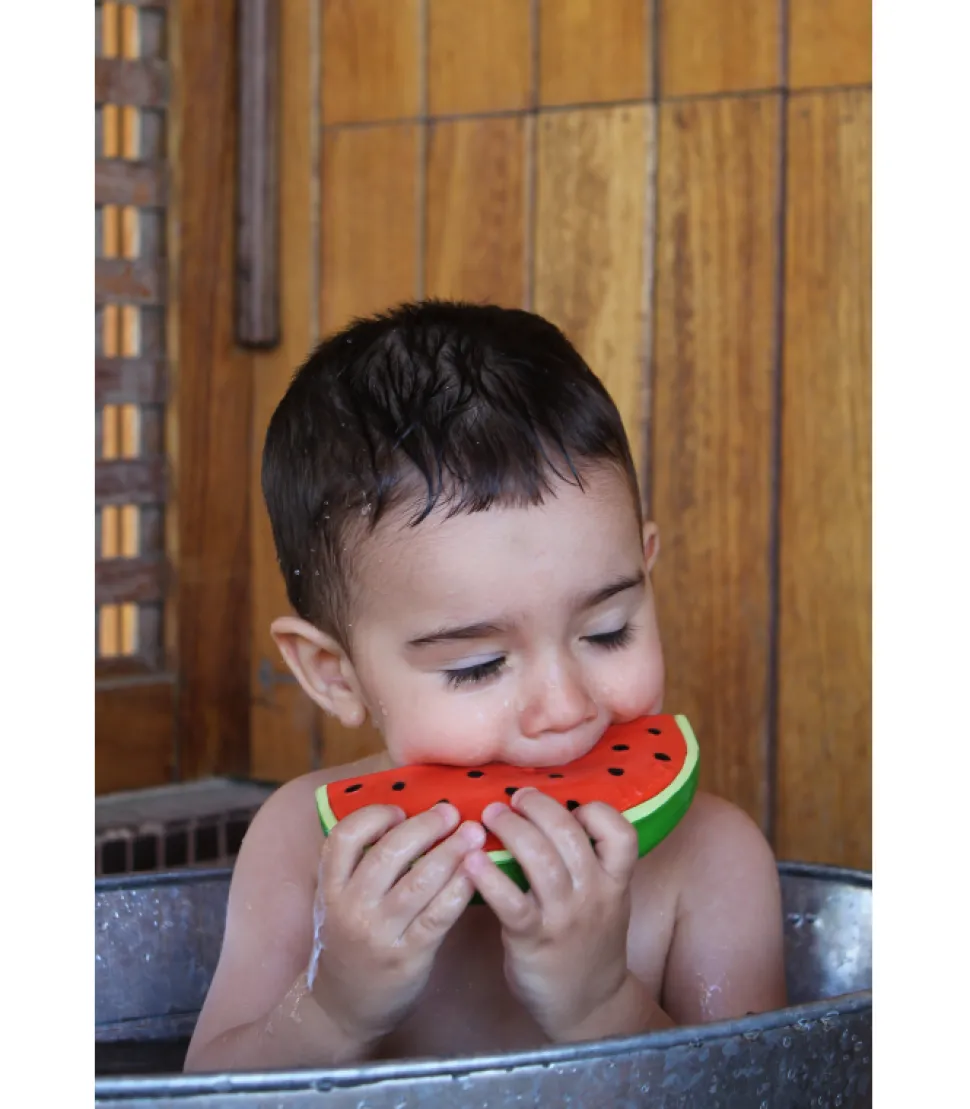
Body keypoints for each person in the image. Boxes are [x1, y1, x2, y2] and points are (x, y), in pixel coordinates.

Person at [183, 301, 786, 1073]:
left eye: (608, 631)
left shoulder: (715, 862)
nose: (565, 708)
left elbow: (759, 1089)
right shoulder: (300, 841)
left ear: (646, 570)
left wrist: (603, 1004)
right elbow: (204, 1092)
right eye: (475, 667)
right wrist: (331, 1010)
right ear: (333, 673)